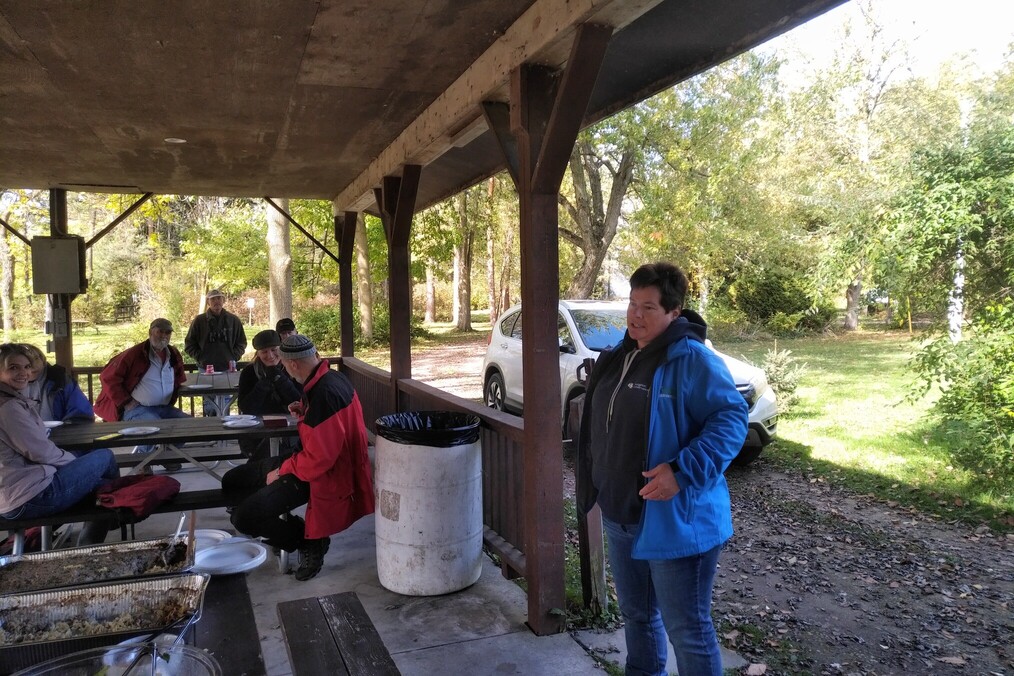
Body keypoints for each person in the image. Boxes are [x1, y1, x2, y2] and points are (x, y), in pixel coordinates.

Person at [577, 262, 748, 676]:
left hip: (675, 521)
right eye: (632, 304)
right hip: (621, 514)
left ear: (674, 312)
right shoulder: (618, 356)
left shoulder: (690, 360)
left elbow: (731, 419)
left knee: (688, 629)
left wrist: (682, 470)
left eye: (649, 307)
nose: (636, 315)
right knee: (637, 618)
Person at [223, 334, 374, 581]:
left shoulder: (325, 393)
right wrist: (304, 411)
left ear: (292, 364)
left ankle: (306, 540)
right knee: (233, 479)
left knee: (244, 518)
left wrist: (282, 471)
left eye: (283, 363)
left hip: (325, 472)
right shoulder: (329, 377)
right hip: (308, 458)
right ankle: (276, 524)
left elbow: (319, 459)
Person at [0, 343, 120, 545]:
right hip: (30, 496)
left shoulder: (10, 400)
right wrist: (73, 462)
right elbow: (41, 452)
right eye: (13, 367)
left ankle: (86, 547)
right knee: (104, 457)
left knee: (101, 490)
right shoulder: (8, 407)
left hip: (14, 492)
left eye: (26, 367)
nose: (23, 373)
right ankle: (114, 518)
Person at [94, 318, 190, 464]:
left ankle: (167, 456)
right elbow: (107, 377)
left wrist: (176, 390)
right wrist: (125, 402)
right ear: (150, 332)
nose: (164, 335)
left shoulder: (173, 353)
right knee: (152, 427)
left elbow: (179, 377)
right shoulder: (135, 354)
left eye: (168, 332)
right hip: (137, 409)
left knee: (188, 425)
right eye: (160, 331)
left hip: (163, 407)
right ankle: (142, 463)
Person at [236, 329, 302, 460]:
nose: (270, 355)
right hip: (258, 430)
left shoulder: (292, 367)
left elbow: (300, 400)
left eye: (273, 349)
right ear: (258, 354)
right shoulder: (249, 372)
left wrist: (280, 379)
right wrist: (264, 383)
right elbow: (245, 407)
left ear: (281, 349)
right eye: (264, 352)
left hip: (291, 429)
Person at [184, 289, 247, 417]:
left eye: (219, 298)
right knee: (209, 402)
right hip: (206, 370)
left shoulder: (233, 320)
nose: (216, 301)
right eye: (213, 299)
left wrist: (233, 357)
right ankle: (210, 430)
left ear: (223, 301)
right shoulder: (199, 321)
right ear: (208, 302)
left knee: (226, 402)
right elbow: (189, 344)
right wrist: (201, 358)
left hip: (227, 369)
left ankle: (225, 431)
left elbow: (242, 342)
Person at [20, 344, 94, 422]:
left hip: (59, 431)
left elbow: (81, 414)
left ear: (43, 360)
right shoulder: (9, 384)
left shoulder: (60, 380)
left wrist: (65, 429)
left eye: (36, 358)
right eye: (26, 362)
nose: (33, 365)